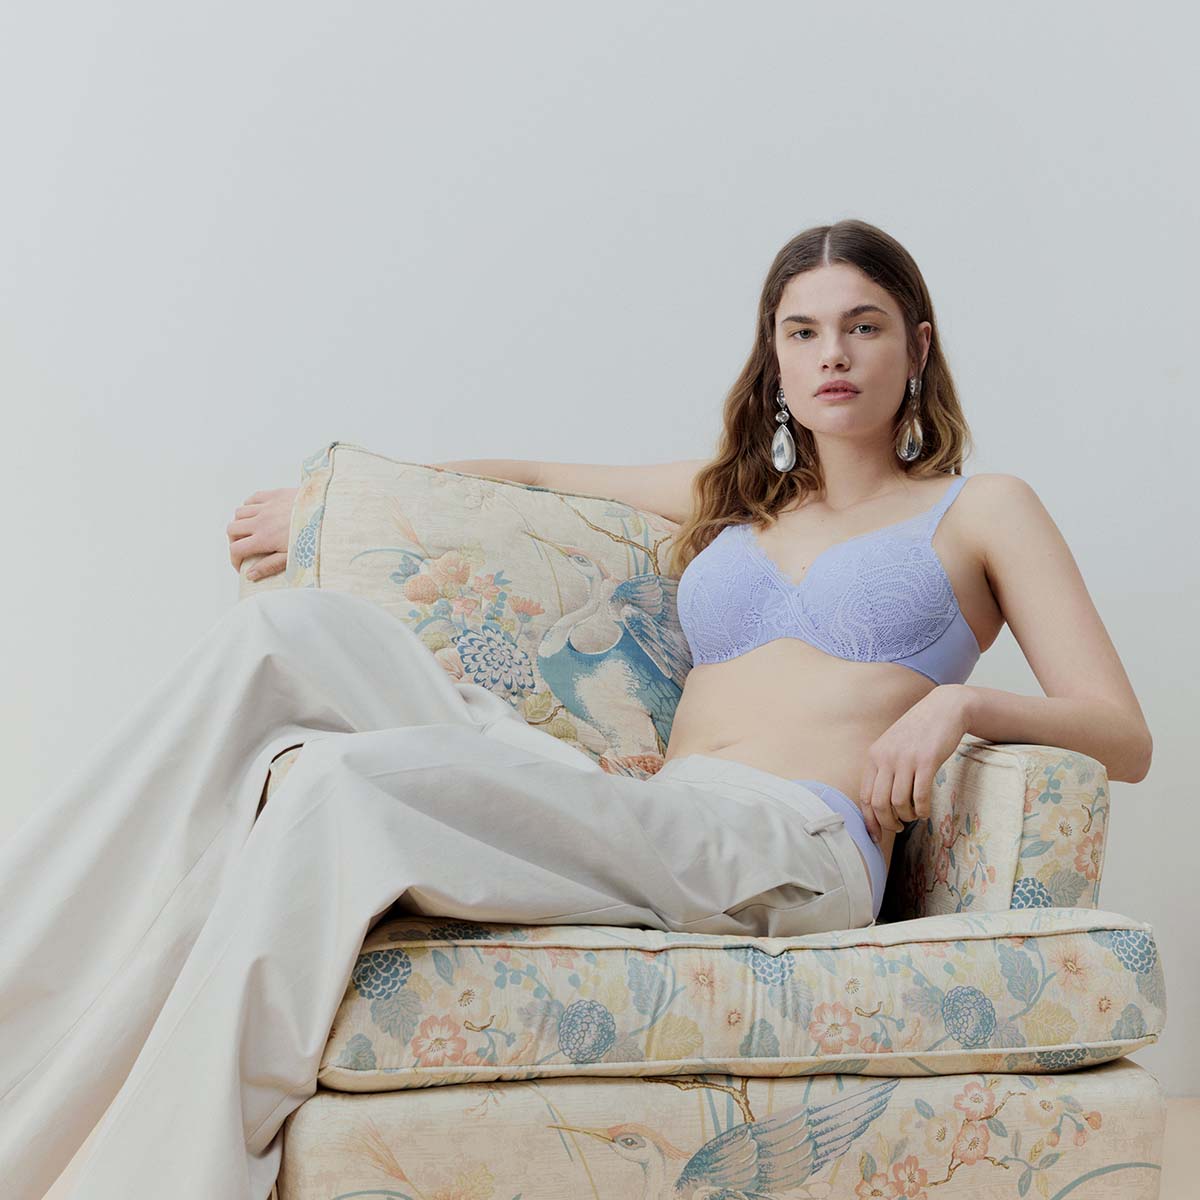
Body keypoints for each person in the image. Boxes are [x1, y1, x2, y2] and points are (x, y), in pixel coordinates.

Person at [0, 219, 1152, 1200]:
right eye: (802, 332)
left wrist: (959, 704)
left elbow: (1123, 731)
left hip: (787, 847)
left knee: (339, 784)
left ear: (919, 345)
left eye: (864, 326)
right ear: (774, 357)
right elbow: (538, 482)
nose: (833, 355)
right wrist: (333, 507)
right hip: (649, 813)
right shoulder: (738, 496)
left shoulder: (982, 509)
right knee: (283, 638)